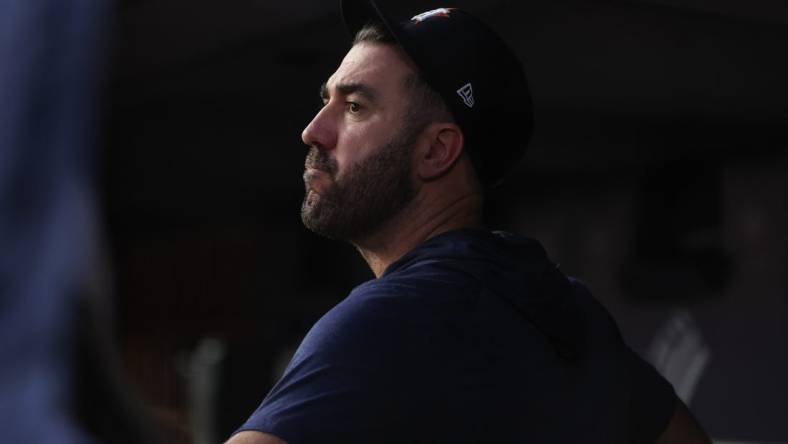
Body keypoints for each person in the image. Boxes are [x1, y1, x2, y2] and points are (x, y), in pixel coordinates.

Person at [228, 1, 712, 442]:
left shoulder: (392, 321)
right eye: (325, 100)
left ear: (436, 151)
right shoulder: (563, 306)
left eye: (354, 107)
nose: (313, 130)